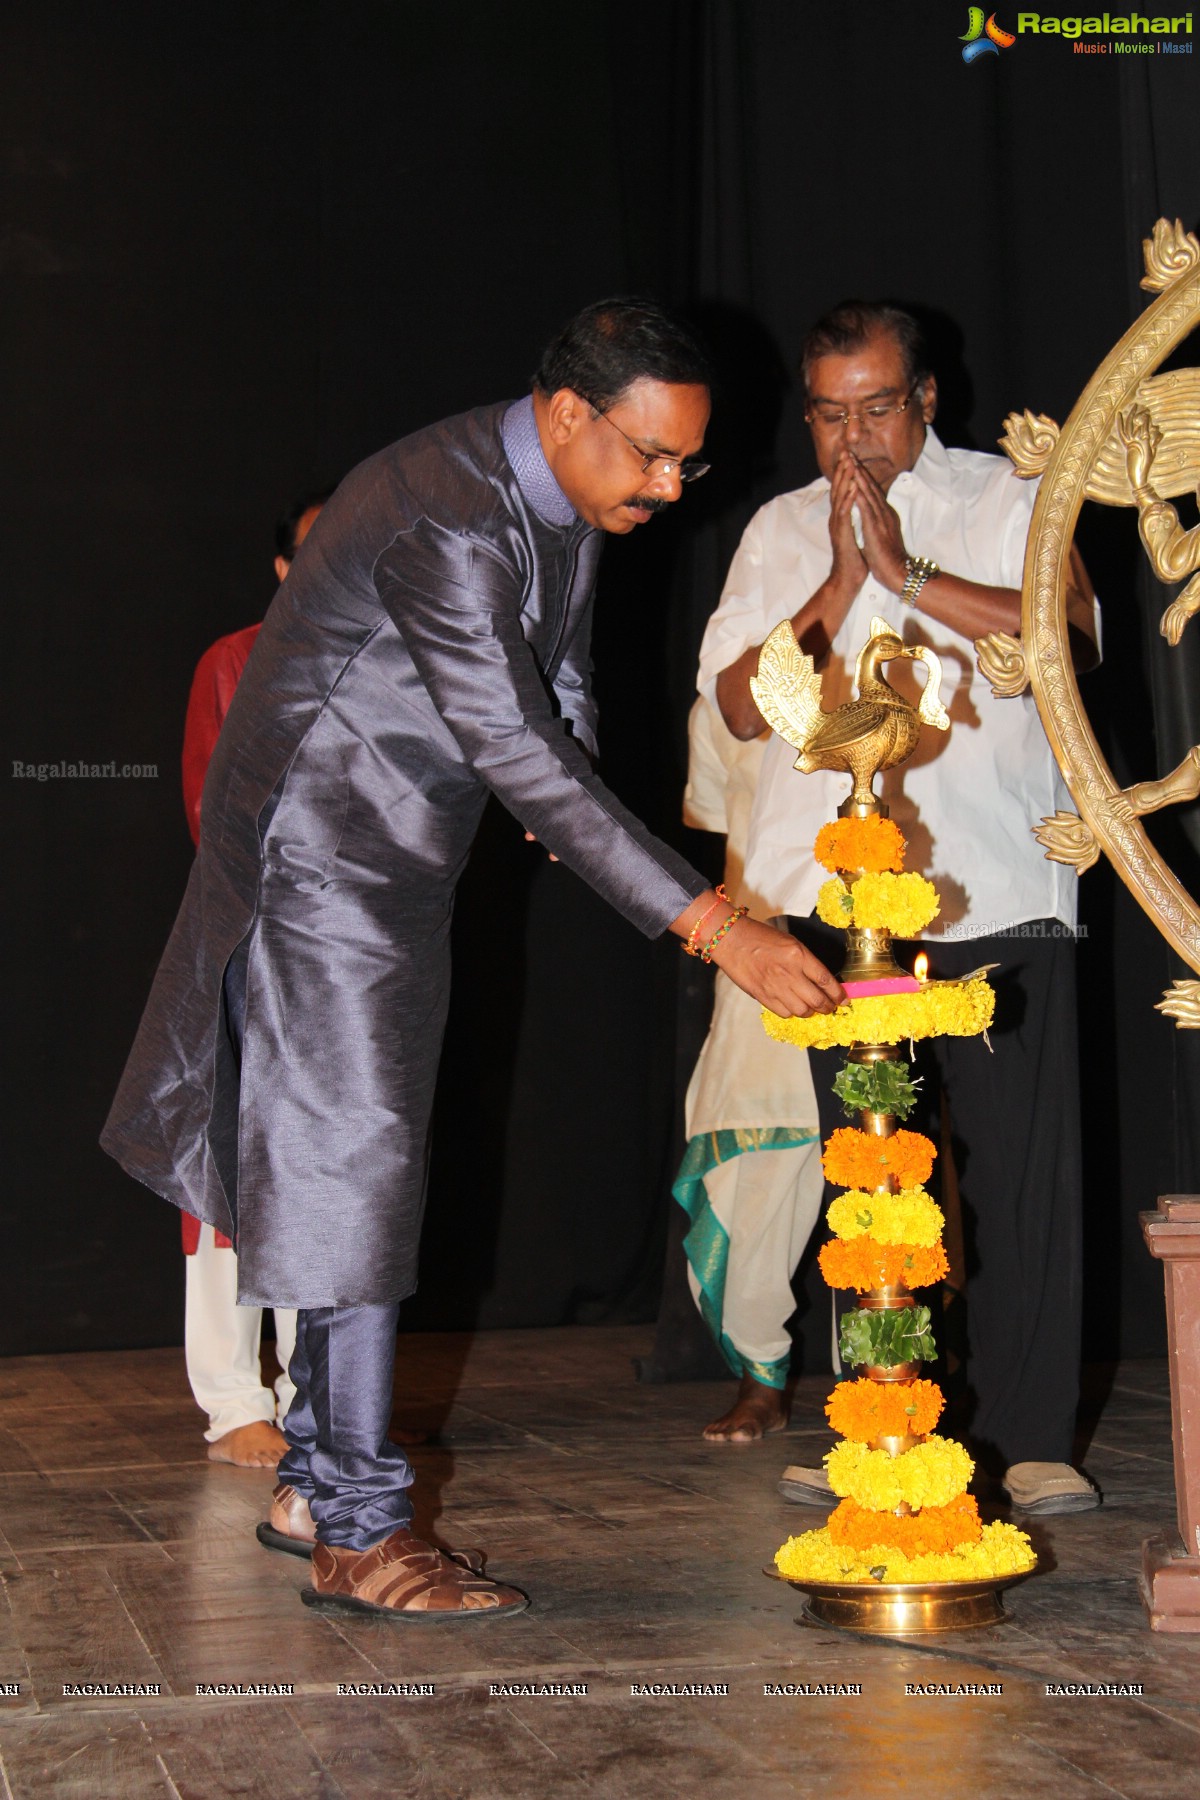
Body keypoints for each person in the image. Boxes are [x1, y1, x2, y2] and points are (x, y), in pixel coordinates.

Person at [102, 297, 843, 1621]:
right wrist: (714, 923)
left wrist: (582, 825)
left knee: (371, 1158)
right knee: (354, 1163)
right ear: (568, 415)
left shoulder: (565, 497)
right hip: (315, 861)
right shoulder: (447, 510)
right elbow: (509, 745)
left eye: (691, 462)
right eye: (649, 457)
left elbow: (555, 688)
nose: (668, 489)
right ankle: (362, 1534)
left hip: (391, 862)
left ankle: (318, 1485)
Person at [699, 300, 1101, 1515]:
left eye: (877, 408)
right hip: (837, 896)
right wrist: (835, 579)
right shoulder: (776, 530)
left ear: (928, 399)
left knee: (1017, 1179)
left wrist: (908, 575)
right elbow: (733, 705)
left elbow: (1067, 636)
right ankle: (882, 1430)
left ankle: (1030, 1440)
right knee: (872, 1174)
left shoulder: (1010, 495)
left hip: (995, 883)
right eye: (829, 412)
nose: (852, 437)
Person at [178, 492, 325, 1468]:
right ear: (282, 570)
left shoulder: (400, 660)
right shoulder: (234, 660)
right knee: (231, 1172)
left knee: (330, 1182)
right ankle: (236, 1400)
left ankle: (316, 1395)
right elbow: (214, 811)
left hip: (353, 964)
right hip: (254, 944)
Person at [672, 698, 826, 1442]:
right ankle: (762, 1371)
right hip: (757, 950)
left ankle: (913, 1378)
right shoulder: (722, 705)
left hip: (883, 928)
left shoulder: (882, 668)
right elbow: (715, 818)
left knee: (893, 1153)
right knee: (751, 1152)